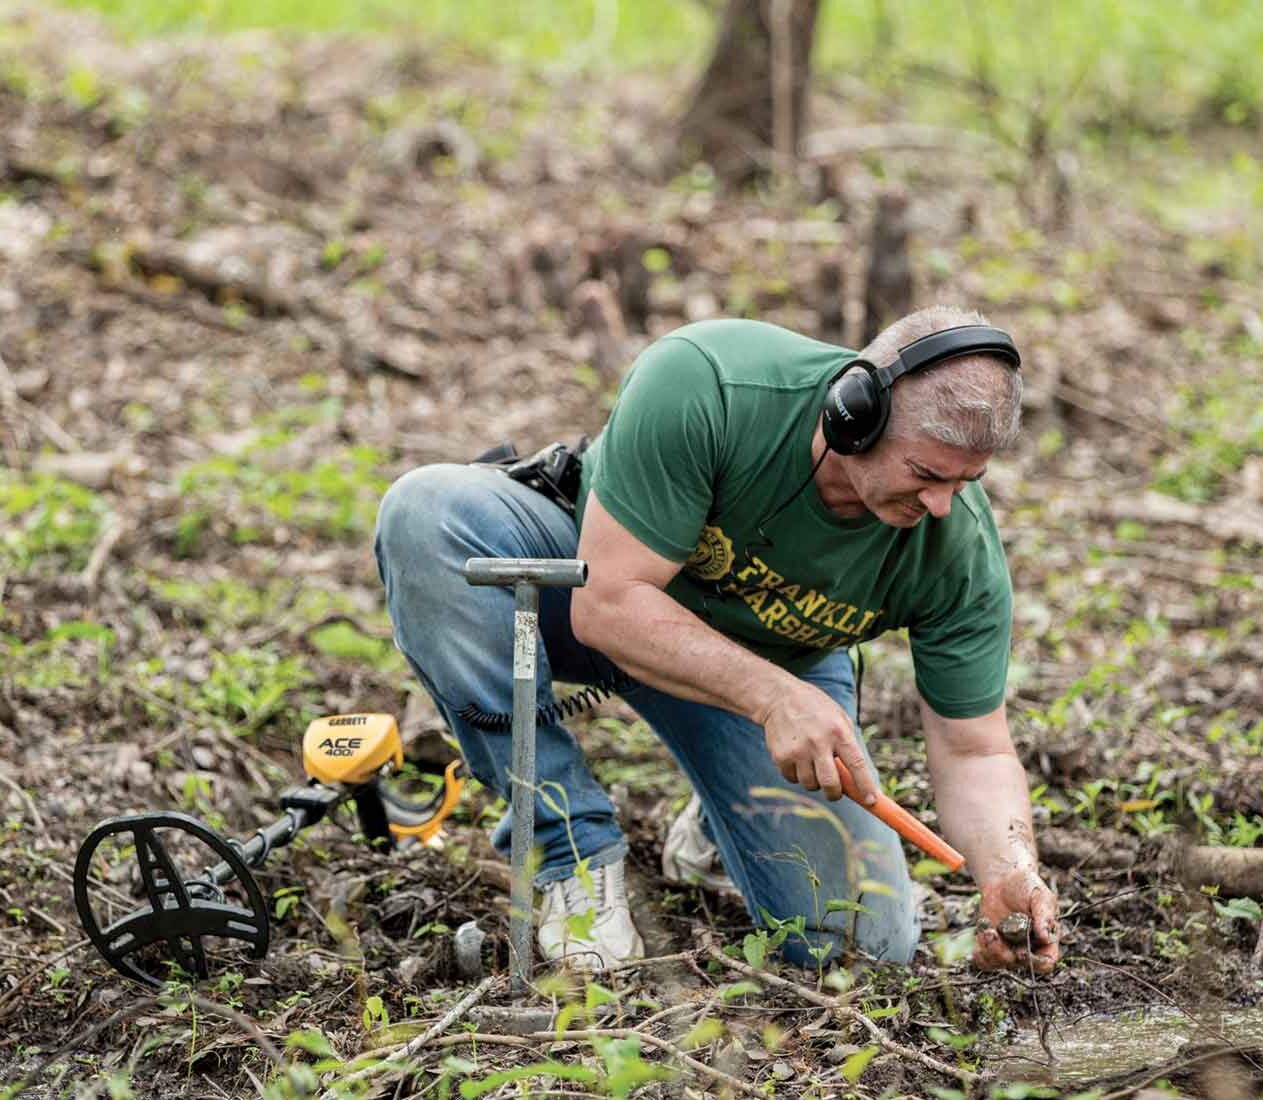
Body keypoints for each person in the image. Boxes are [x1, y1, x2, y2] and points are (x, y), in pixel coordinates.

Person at [374, 305, 1061, 975]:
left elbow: (973, 749)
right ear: (854, 416)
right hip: (597, 580)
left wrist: (1009, 867)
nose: (940, 505)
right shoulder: (711, 382)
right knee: (426, 513)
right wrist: (772, 699)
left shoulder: (957, 548)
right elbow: (609, 605)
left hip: (759, 674)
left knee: (859, 942)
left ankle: (720, 817)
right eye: (925, 475)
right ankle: (573, 850)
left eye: (964, 482)